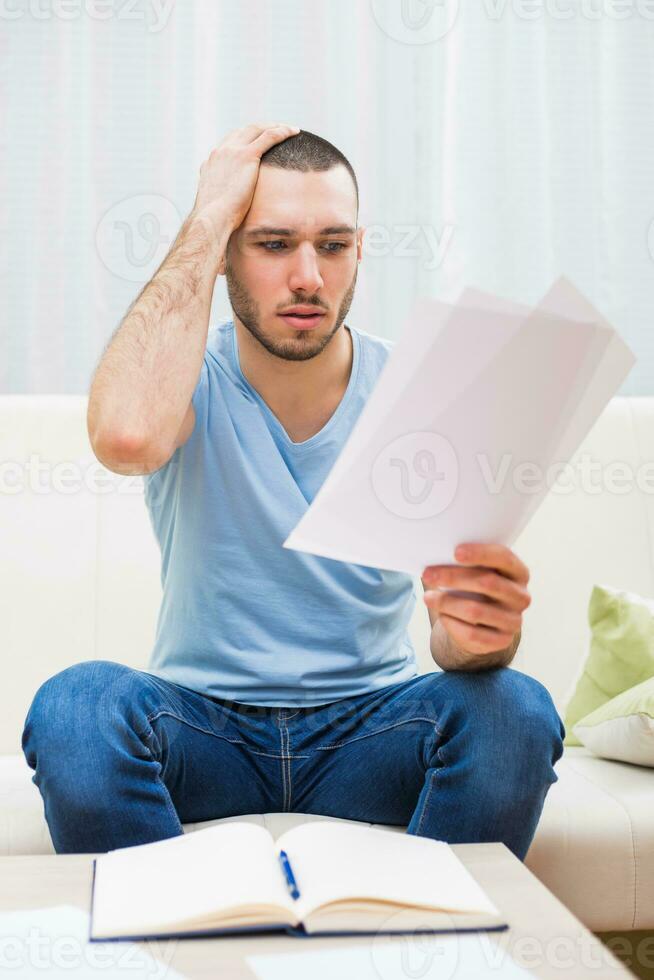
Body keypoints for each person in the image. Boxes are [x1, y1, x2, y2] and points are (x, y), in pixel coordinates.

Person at [22, 123, 565, 858]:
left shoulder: (420, 390)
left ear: (360, 251)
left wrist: (475, 641)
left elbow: (452, 638)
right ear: (226, 256)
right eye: (273, 244)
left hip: (374, 729)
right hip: (203, 729)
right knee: (76, 706)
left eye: (333, 245)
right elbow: (125, 438)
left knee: (515, 710)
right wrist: (206, 220)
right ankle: (171, 948)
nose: (308, 275)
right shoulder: (183, 381)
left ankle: (429, 953)